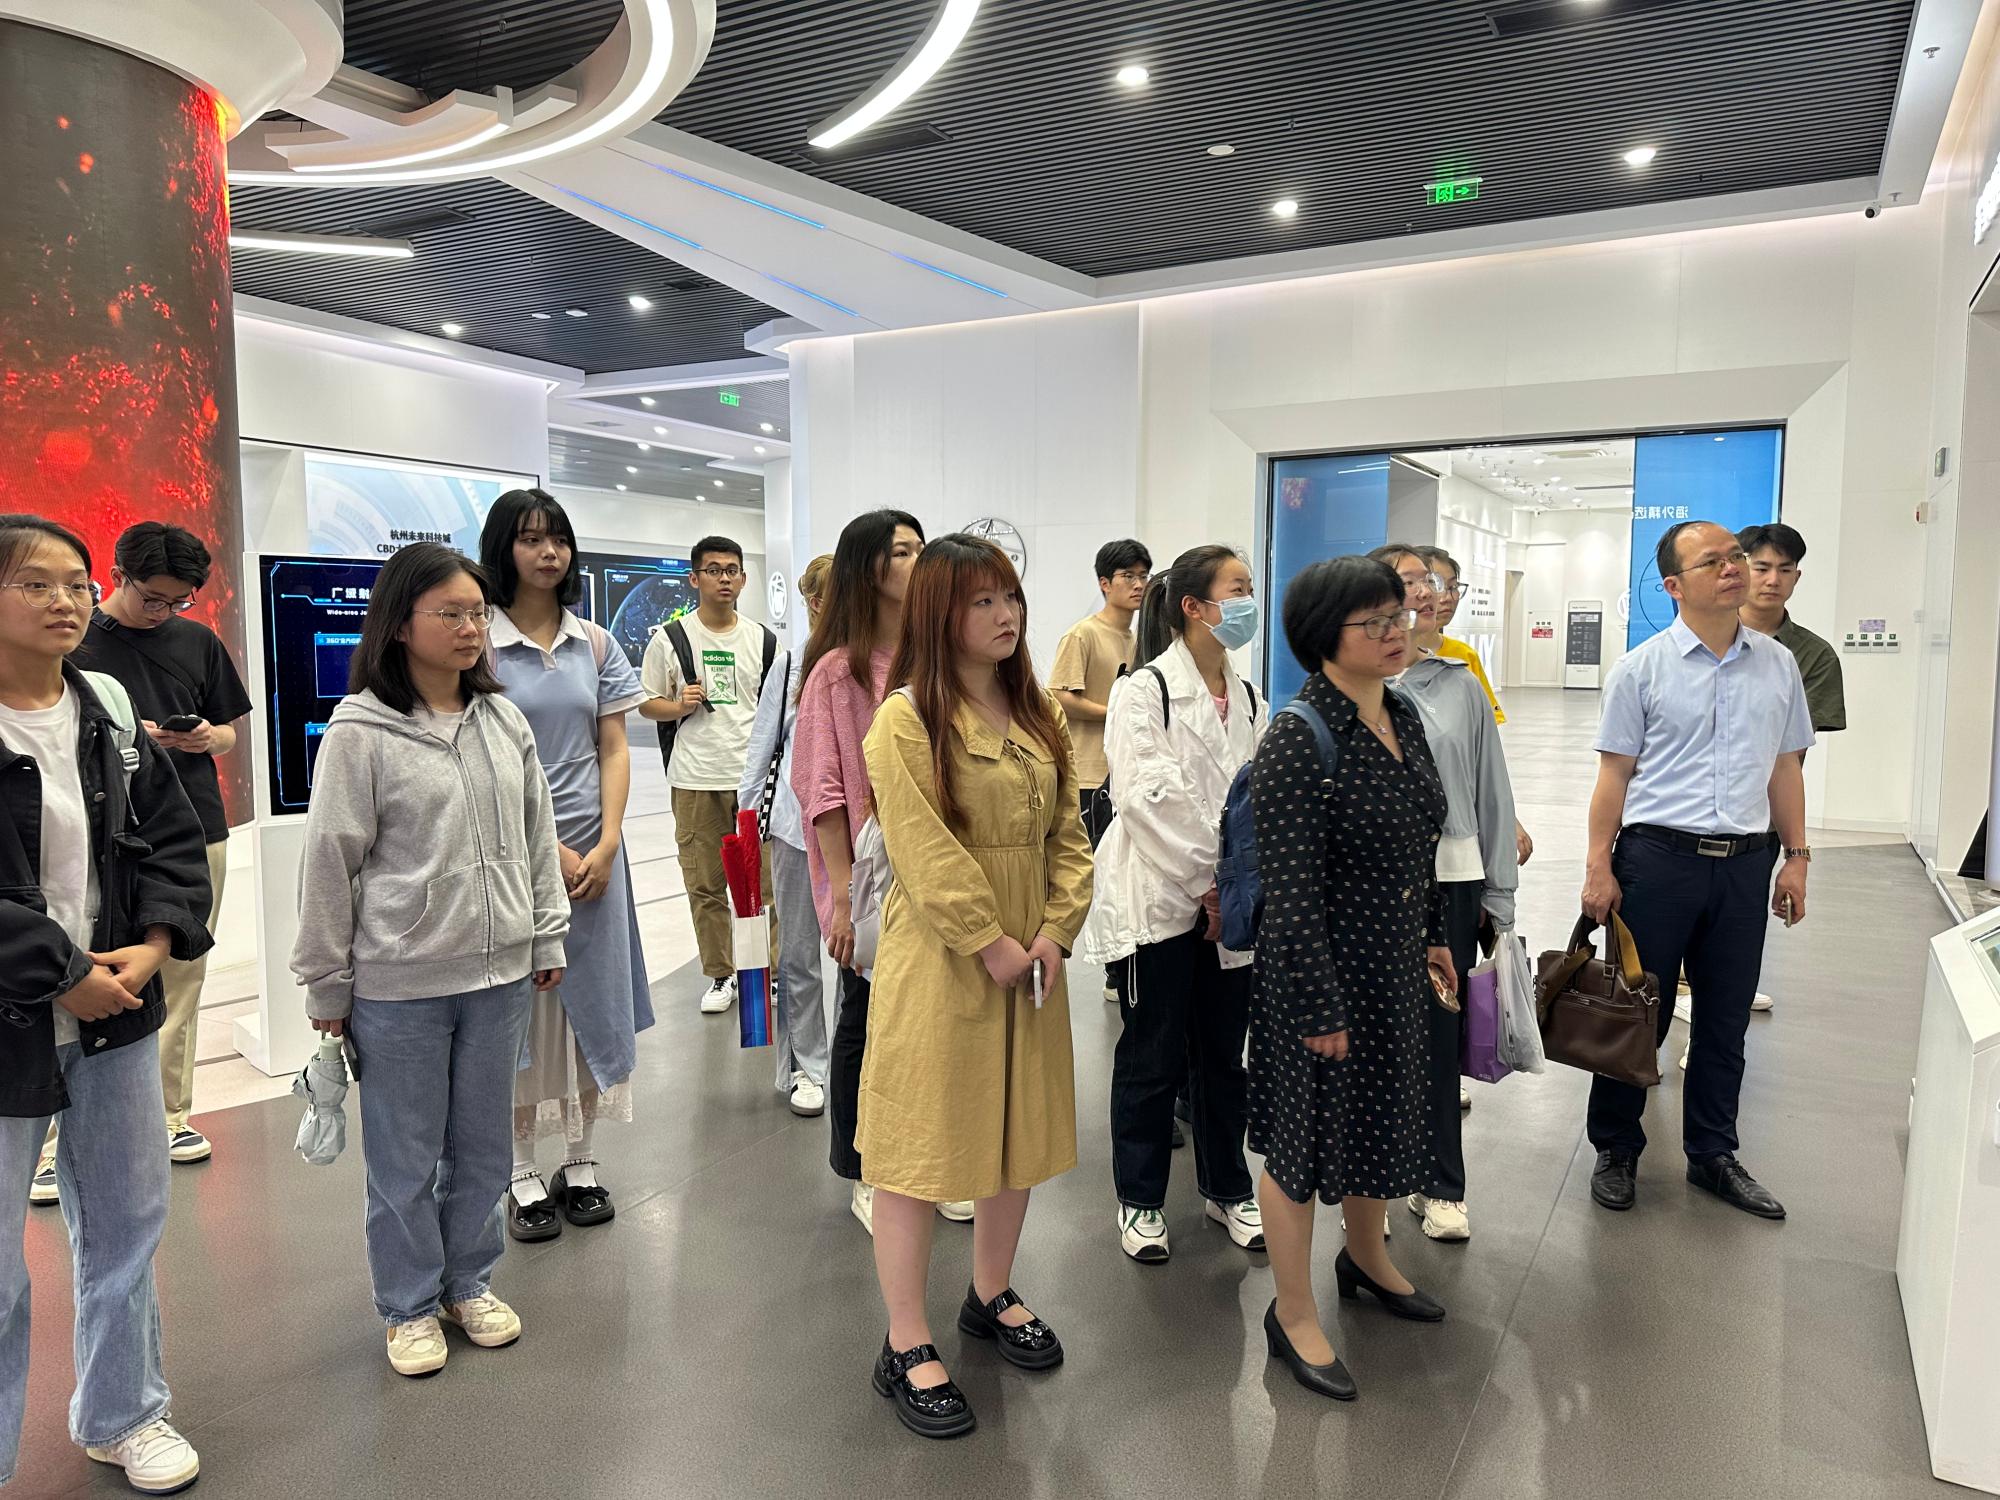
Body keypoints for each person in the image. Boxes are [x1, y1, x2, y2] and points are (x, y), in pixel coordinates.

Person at [292, 543, 569, 1377]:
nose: (470, 627)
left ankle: (467, 1283)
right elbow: (330, 859)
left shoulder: (503, 721)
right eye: (449, 613)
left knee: (483, 1148)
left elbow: (538, 835)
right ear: (400, 624)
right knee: (405, 1157)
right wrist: (326, 982)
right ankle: (408, 1304)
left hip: (499, 976)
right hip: (400, 982)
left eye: (477, 612)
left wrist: (545, 933)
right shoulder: (360, 732)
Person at [858, 534, 1093, 1440]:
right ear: (938, 613)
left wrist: (1054, 932)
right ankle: (905, 1338)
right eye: (982, 601)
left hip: (1031, 957)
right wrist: (988, 940)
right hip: (945, 960)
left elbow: (1069, 835)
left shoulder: (1038, 711)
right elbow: (921, 849)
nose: (1006, 616)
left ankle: (989, 1290)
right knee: (920, 1144)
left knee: (1015, 1129)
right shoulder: (906, 719)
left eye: (1011, 598)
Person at [1, 514, 214, 1494]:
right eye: (36, 583)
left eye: (75, 584)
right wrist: (62, 972)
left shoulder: (106, 710)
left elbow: (169, 834)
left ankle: (124, 1414)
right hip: (15, 1020)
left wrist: (158, 940)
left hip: (117, 1012)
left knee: (128, 1224)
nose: (64, 602)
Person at [1249, 556, 1457, 1404]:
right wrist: (1317, 1006)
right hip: (1322, 976)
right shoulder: (1300, 737)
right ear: (1322, 636)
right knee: (1301, 1143)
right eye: (1374, 622)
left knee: (1379, 1115)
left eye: (1397, 615)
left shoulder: (1401, 714)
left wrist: (1434, 937)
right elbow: (1290, 892)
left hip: (1393, 964)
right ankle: (1292, 1312)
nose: (1396, 631)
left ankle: (1367, 1258)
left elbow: (1419, 842)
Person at [1581, 521, 1813, 1222]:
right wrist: (1598, 866)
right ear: (1674, 586)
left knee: (1724, 1018)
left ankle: (1713, 1153)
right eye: (1713, 561)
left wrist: (1797, 857)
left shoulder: (1778, 665)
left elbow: (1785, 768)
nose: (1734, 568)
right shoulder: (1640, 669)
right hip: (1657, 862)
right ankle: (1616, 1147)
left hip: (1745, 866)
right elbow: (1614, 777)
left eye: (1735, 556)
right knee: (1635, 1015)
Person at [1079, 545, 1267, 1264]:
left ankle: (1226, 1188)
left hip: (1230, 910)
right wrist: (1209, 884)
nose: (1247, 603)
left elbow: (1254, 805)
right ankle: (1141, 1199)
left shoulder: (1250, 699)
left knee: (1223, 1058)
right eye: (1236, 589)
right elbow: (1147, 798)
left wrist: (1234, 889)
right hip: (1161, 899)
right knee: (1151, 1056)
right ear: (1193, 606)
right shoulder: (1144, 691)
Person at [791, 511, 973, 1231]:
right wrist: (841, 896)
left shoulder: (940, 655)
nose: (917, 560)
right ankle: (867, 1168)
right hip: (873, 875)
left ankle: (929, 1163)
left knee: (937, 1019)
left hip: (943, 866)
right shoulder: (836, 671)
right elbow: (823, 790)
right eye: (901, 551)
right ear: (867, 568)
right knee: (868, 1019)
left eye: (921, 547)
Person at [478, 492, 652, 1243]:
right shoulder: (481, 642)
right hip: (515, 851)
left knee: (593, 1007)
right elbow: (482, 753)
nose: (549, 553)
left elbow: (613, 745)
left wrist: (609, 841)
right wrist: (547, 847)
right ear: (503, 548)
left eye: (558, 540)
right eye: (530, 539)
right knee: (524, 1011)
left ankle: (580, 1159)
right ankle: (519, 1168)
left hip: (596, 854)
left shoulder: (597, 642)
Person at [54, 521, 250, 1182]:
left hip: (192, 828)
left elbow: (229, 732)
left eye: (178, 601)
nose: (164, 611)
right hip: (95, 835)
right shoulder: (73, 640)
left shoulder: (198, 641)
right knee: (66, 975)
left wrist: (206, 739)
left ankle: (168, 1117)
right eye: (153, 597)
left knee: (182, 974)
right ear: (118, 576)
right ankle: (53, 1141)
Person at [1369, 545, 1519, 1243]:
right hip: (1370, 891)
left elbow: (1492, 791)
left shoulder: (1461, 683)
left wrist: (1500, 894)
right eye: (1408, 583)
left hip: (1451, 883)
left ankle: (1439, 1183)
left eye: (1429, 581)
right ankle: (1369, 1187)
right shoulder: (1347, 685)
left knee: (1437, 1036)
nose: (1426, 592)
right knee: (1372, 1038)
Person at [639, 536, 774, 1016]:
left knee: (765, 886)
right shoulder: (671, 638)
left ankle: (768, 972)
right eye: (713, 570)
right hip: (695, 778)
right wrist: (679, 706)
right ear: (694, 578)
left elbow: (776, 708)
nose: (724, 578)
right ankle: (721, 974)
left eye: (732, 570)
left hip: (753, 782)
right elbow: (647, 702)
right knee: (705, 884)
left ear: (744, 578)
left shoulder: (764, 641)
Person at [738, 552, 836, 1119]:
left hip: (863, 835)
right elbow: (763, 744)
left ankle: (859, 1059)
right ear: (817, 601)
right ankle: (806, 1065)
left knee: (865, 955)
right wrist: (746, 819)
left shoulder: (881, 658)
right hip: (797, 830)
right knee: (798, 954)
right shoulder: (792, 664)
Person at [1049, 539, 1148, 1003]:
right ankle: (1114, 971)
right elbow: (1059, 696)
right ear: (1105, 583)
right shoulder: (1083, 635)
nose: (1138, 584)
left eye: (1143, 576)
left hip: (1130, 771)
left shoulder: (1140, 639)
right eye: (1128, 576)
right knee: (1103, 875)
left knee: (1130, 872)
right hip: (1092, 775)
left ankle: (1126, 964)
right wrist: (1117, 712)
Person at [1420, 547, 1504, 724]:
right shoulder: (1389, 658)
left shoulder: (1464, 656)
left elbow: (1486, 724)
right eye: (1435, 586)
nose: (1447, 598)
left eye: (1453, 587)